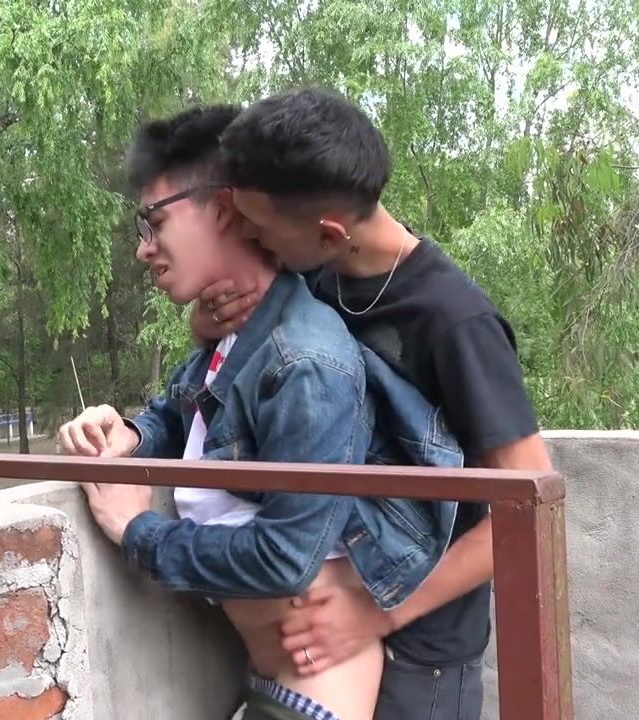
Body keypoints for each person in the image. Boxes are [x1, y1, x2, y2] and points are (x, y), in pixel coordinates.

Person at [60, 104, 462, 720]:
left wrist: (136, 530)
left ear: (223, 208)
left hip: (316, 695)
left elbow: (286, 558)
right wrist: (130, 435)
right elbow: (188, 415)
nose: (144, 249)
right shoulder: (235, 328)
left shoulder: (306, 361)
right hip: (265, 680)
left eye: (154, 222)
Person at [195, 87, 555, 720]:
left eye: (258, 223)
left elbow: (529, 508)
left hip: (421, 657)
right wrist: (209, 327)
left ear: (330, 232)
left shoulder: (454, 321)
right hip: (324, 634)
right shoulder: (311, 276)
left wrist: (377, 612)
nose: (246, 234)